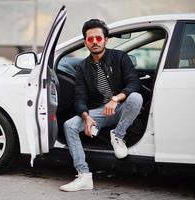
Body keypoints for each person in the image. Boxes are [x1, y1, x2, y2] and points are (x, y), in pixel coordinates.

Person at [59, 19, 143, 192]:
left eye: (98, 38)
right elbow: (79, 98)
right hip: (99, 112)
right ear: (85, 42)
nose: (95, 42)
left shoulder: (120, 57)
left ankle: (118, 135)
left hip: (121, 109)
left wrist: (116, 99)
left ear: (106, 40)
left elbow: (134, 83)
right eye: (90, 39)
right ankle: (84, 176)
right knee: (69, 125)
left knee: (135, 97)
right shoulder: (82, 67)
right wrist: (86, 116)